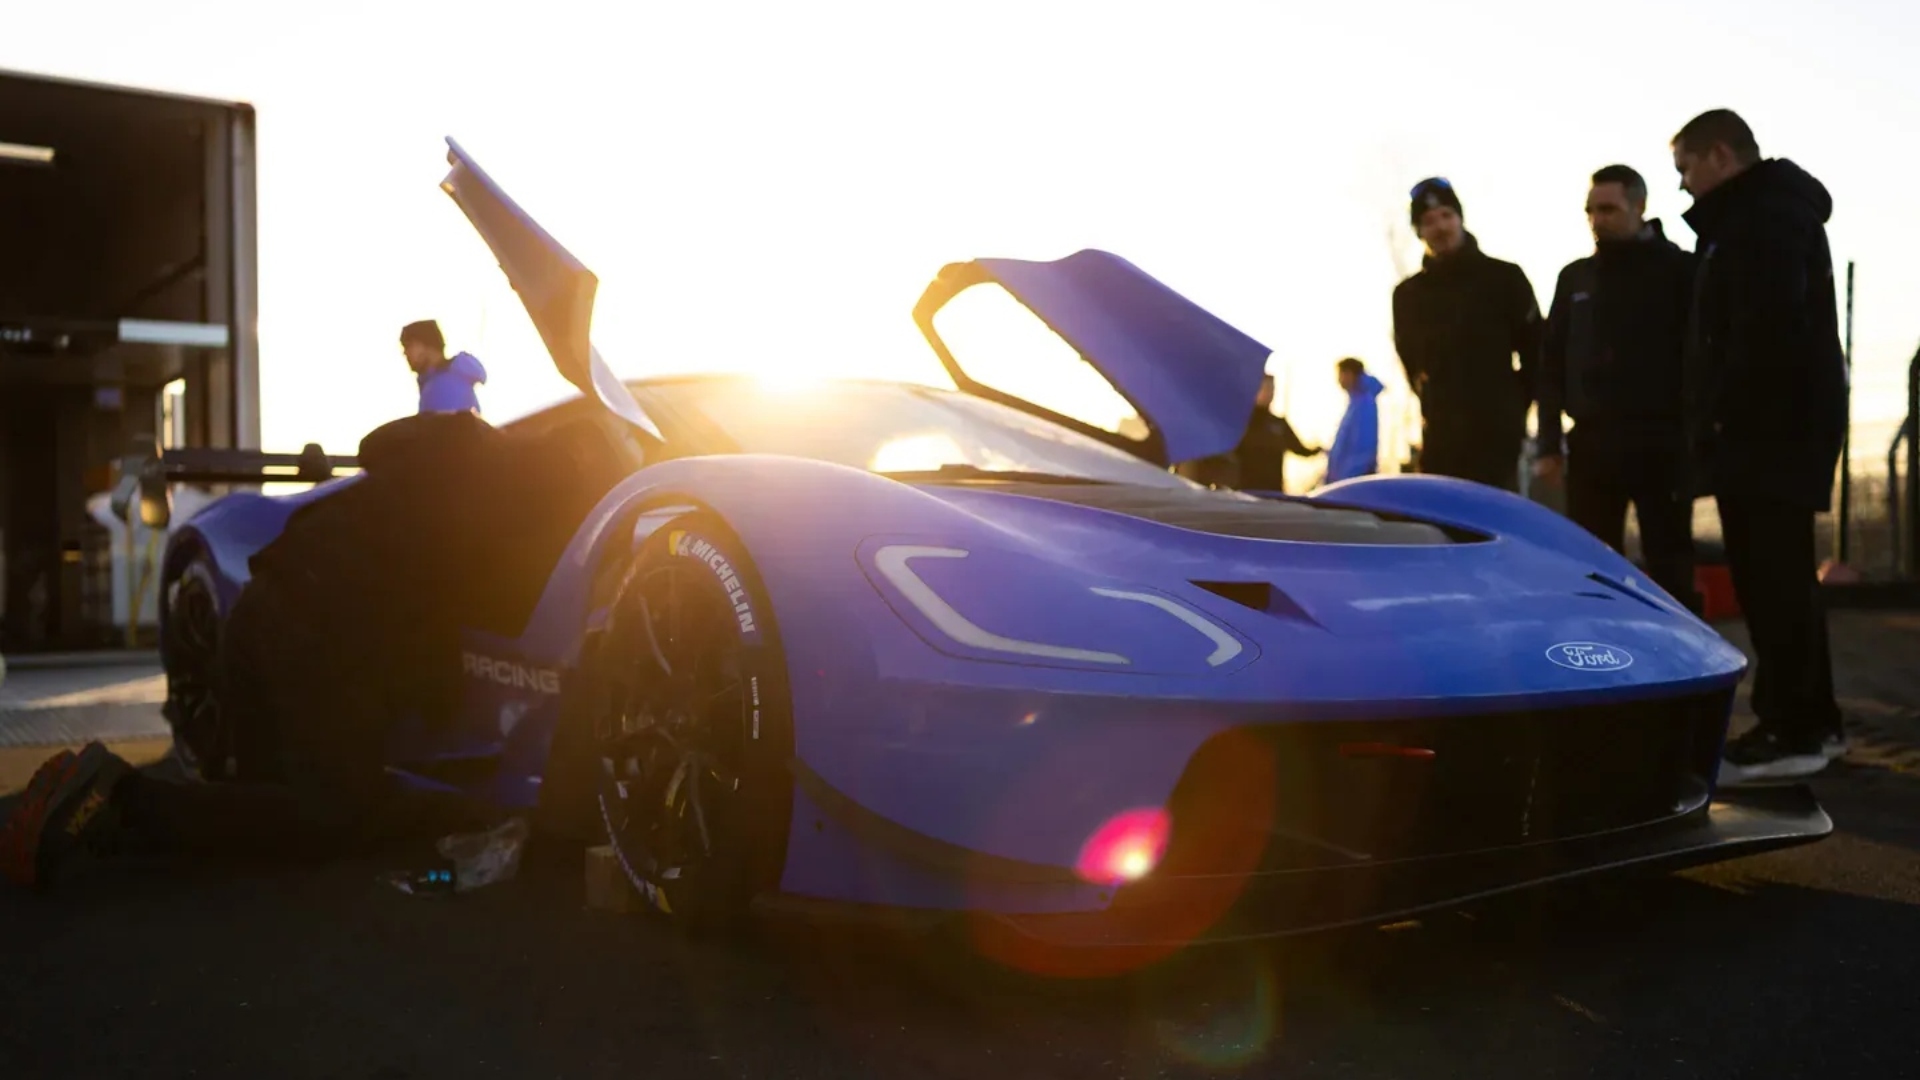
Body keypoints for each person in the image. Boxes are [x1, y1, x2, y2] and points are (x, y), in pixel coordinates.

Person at [0, 409, 603, 889]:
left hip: (262, 609)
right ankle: (117, 799)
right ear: (575, 466)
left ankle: (100, 815)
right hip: (320, 641)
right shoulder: (520, 505)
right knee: (336, 816)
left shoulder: (452, 446)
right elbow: (462, 611)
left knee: (260, 817)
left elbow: (376, 447)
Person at [1671, 108, 1849, 784]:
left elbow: (1763, 331)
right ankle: (1812, 721)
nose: (1684, 186)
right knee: (1781, 580)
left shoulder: (1762, 219)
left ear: (1720, 155)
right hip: (1774, 428)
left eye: (1687, 168)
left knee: (1772, 581)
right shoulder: (1758, 216)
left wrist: (1720, 416)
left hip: (1768, 430)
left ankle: (1792, 727)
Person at [1533, 165, 1701, 613]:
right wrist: (1548, 442)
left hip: (1662, 442)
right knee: (1591, 568)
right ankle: (1601, 661)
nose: (1597, 219)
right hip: (1591, 443)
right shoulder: (1576, 279)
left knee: (1670, 566)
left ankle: (1683, 669)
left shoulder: (1680, 271)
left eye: (1608, 209)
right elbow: (1550, 364)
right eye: (1590, 210)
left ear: (1639, 206)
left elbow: (1702, 357)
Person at [1393, 178, 1543, 492]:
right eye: (1429, 221)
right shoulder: (1408, 295)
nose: (1441, 227)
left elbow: (1536, 351)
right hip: (1441, 438)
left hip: (1498, 436)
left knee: (1500, 523)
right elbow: (1410, 362)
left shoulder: (1504, 278)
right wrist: (1432, 404)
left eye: (1447, 216)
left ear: (1460, 218)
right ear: (1420, 231)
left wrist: (1514, 407)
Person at [1236, 374, 1320, 492]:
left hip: (1273, 492)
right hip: (1245, 493)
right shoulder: (1240, 423)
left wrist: (1319, 449)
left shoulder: (1279, 424)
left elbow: (1299, 449)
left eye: (1272, 389)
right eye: (1265, 388)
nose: (1269, 393)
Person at [402, 319, 488, 415]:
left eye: (409, 346)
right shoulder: (432, 384)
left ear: (427, 345)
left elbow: (446, 427)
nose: (405, 353)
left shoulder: (446, 383)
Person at [1324, 358, 1383, 485]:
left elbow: (1364, 449)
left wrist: (1344, 481)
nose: (1338, 380)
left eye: (1340, 374)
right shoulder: (1355, 403)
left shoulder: (1364, 404)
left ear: (1349, 374)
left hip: (1350, 484)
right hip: (1343, 482)